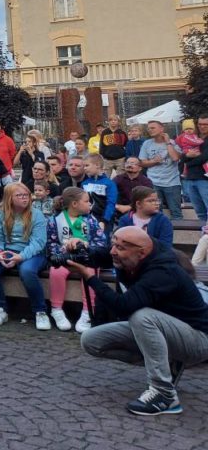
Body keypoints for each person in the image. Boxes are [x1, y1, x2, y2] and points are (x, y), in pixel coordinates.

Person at [74, 226, 208, 416]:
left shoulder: (163, 270)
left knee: (141, 316)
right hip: (165, 329)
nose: (113, 251)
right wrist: (79, 252)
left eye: (120, 248)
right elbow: (102, 255)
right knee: (91, 341)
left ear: (142, 252)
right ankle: (168, 362)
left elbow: (122, 306)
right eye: (113, 244)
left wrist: (89, 277)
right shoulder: (136, 250)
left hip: (198, 338)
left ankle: (164, 395)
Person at [0, 184, 49, 329]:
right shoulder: (0, 214)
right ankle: (0, 309)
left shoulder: (36, 214)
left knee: (27, 271)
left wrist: (20, 257)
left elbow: (39, 242)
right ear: (10, 198)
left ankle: (40, 311)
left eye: (26, 194)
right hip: (7, 251)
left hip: (32, 253)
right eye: (19, 195)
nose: (24, 198)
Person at [46, 187, 108, 333]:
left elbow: (101, 242)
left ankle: (87, 311)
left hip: (86, 259)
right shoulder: (54, 221)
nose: (90, 205)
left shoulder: (91, 220)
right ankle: (56, 309)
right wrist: (65, 248)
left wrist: (86, 245)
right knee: (56, 272)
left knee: (90, 273)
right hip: (66, 259)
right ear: (74, 204)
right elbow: (51, 244)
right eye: (86, 201)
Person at [139, 120, 183, 220]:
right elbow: (142, 162)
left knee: (176, 212)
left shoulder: (172, 142)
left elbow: (175, 158)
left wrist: (168, 142)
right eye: (148, 128)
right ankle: (158, 234)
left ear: (161, 129)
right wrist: (154, 161)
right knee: (155, 212)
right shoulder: (147, 143)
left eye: (152, 128)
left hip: (172, 183)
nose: (150, 130)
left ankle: (176, 235)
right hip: (153, 183)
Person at [81, 154, 120, 233]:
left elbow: (111, 203)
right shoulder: (84, 183)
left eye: (87, 165)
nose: (84, 168)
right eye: (83, 166)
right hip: (86, 219)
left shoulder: (109, 183)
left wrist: (104, 221)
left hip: (104, 219)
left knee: (103, 242)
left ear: (97, 165)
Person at [179, 115, 208, 224]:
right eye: (200, 124)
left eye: (205, 124)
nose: (202, 126)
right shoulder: (192, 137)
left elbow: (204, 157)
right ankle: (204, 238)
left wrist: (188, 161)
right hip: (190, 178)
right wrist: (187, 157)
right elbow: (182, 157)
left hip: (204, 179)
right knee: (200, 213)